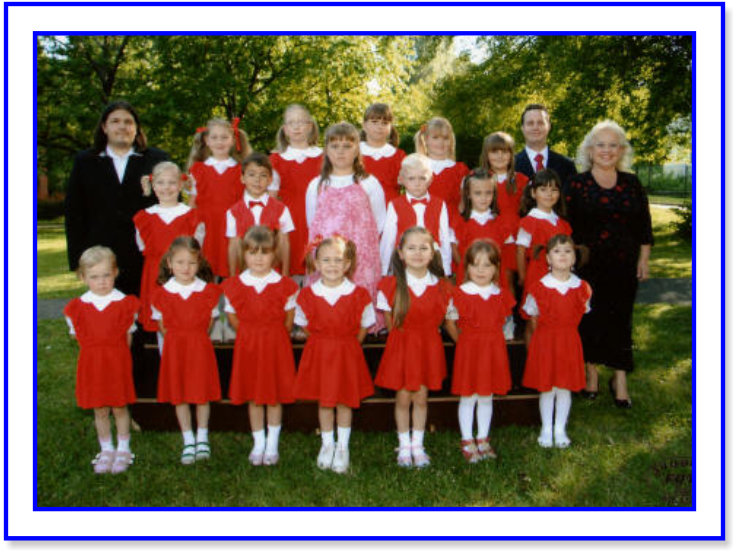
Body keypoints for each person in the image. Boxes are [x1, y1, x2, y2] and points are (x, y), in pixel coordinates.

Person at [566, 120, 653, 408]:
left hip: (624, 266)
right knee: (589, 319)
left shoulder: (632, 183)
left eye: (613, 145)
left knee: (620, 320)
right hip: (586, 267)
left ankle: (620, 379)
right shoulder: (576, 184)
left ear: (622, 150)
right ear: (590, 150)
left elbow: (644, 226)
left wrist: (643, 259)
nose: (606, 150)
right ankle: (591, 374)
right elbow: (566, 226)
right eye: (600, 144)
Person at [64, 101, 169, 295]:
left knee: (147, 311)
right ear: (104, 127)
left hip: (147, 256)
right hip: (101, 258)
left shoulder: (157, 159)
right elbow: (74, 213)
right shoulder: (85, 161)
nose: (122, 126)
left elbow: (171, 205)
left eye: (128, 122)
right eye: (115, 121)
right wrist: (78, 260)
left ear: (136, 128)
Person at [293, 236, 376, 474]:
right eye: (326, 260)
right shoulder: (308, 294)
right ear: (317, 264)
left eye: (338, 260)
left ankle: (342, 446)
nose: (332, 265)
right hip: (320, 353)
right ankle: (327, 444)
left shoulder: (358, 294)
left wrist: (348, 344)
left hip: (346, 353)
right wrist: (323, 341)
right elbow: (304, 323)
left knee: (344, 400)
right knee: (325, 401)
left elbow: (364, 324)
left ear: (348, 264)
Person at [374, 227, 454, 468]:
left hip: (428, 347)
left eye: (423, 248)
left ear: (432, 253)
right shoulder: (390, 286)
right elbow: (391, 323)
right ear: (400, 253)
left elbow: (446, 320)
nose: (417, 253)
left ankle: (418, 445)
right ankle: (404, 444)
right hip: (402, 346)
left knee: (421, 396)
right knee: (403, 397)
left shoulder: (443, 287)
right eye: (411, 248)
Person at [222, 226, 299, 467]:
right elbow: (233, 317)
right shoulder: (235, 285)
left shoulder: (284, 285)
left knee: (274, 395)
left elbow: (289, 319)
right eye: (252, 252)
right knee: (253, 395)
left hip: (276, 345)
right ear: (243, 254)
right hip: (249, 346)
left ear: (275, 254)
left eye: (264, 252)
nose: (258, 258)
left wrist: (272, 333)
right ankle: (258, 442)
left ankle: (272, 442)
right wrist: (251, 331)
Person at [63, 246, 139, 474]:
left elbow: (128, 337)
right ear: (83, 277)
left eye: (106, 275)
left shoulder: (125, 304)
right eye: (94, 277)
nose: (101, 281)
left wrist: (118, 359)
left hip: (117, 363)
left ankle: (123, 448)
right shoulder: (77, 308)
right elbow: (79, 338)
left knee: (119, 407)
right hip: (92, 365)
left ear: (115, 272)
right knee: (100, 409)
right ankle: (106, 449)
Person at [305, 122, 386, 330]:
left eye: (347, 146)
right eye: (335, 146)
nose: (340, 151)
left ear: (357, 149)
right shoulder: (317, 184)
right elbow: (311, 221)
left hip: (361, 258)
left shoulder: (369, 183)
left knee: (358, 307)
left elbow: (379, 222)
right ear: (326, 150)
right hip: (327, 259)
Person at [150, 237, 222, 465]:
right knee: (179, 394)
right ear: (169, 263)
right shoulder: (161, 294)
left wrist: (193, 336)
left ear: (199, 263)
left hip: (199, 347)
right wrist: (178, 338)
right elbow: (162, 326)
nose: (185, 268)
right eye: (180, 262)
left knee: (201, 393)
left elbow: (208, 324)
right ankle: (188, 438)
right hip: (175, 350)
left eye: (191, 262)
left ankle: (202, 436)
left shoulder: (208, 292)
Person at [446, 240, 515, 463]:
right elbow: (450, 322)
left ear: (496, 268)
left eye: (487, 265)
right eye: (475, 265)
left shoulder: (500, 294)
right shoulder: (460, 294)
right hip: (469, 349)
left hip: (493, 350)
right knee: (468, 395)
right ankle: (467, 440)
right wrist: (464, 343)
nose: (481, 270)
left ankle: (483, 438)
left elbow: (504, 322)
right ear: (466, 267)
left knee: (487, 395)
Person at [521, 235, 592, 448]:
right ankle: (546, 428)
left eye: (567, 251)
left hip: (569, 342)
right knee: (547, 387)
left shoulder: (582, 288)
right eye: (557, 251)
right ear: (548, 259)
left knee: (564, 387)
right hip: (546, 342)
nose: (563, 255)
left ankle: (560, 429)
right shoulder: (539, 287)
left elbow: (581, 312)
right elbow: (533, 317)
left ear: (574, 258)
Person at [134, 162, 203, 336]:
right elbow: (142, 246)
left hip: (184, 274)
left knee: (185, 320)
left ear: (180, 185)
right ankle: (165, 353)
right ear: (153, 185)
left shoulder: (192, 216)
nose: (166, 188)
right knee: (161, 323)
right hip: (155, 275)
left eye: (171, 182)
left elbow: (197, 247)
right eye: (161, 182)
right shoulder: (144, 217)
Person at [187, 117, 251, 278]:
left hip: (232, 225)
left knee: (232, 268)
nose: (219, 142)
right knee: (206, 269)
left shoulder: (241, 169)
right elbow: (192, 202)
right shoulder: (198, 169)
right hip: (207, 227)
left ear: (233, 140)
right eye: (214, 137)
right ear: (207, 140)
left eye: (224, 137)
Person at [516, 169, 572, 345]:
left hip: (560, 278)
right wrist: (523, 276)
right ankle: (533, 358)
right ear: (533, 193)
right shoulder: (529, 221)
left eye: (554, 190)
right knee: (534, 321)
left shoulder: (562, 223)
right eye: (543, 189)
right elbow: (520, 251)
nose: (549, 194)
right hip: (537, 276)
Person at [270, 104, 323, 277]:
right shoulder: (276, 159)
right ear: (285, 129)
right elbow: (271, 198)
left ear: (310, 126)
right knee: (290, 267)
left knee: (319, 265)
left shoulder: (324, 156)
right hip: (289, 219)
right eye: (291, 123)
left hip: (318, 216)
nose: (297, 127)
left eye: (301, 122)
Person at [378, 153, 453, 276]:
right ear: (402, 179)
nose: (417, 183)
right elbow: (388, 239)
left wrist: (446, 270)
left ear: (431, 180)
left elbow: (444, 237)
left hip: (432, 261)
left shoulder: (440, 204)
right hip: (405, 261)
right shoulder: (395, 204)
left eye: (422, 178)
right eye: (411, 178)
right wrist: (384, 270)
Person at [225, 153, 294, 277]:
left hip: (273, 273)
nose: (257, 180)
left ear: (270, 180)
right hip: (244, 274)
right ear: (242, 178)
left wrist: (285, 275)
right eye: (251, 175)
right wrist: (232, 277)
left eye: (263, 175)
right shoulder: (233, 212)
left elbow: (285, 243)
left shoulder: (281, 209)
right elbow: (233, 245)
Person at [480, 132, 530, 291]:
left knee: (522, 281)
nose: (500, 156)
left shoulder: (521, 180)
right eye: (494, 151)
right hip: (491, 234)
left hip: (518, 236)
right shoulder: (479, 179)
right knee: (501, 281)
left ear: (511, 154)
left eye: (505, 151)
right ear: (486, 154)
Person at [453, 168, 508, 292]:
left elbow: (505, 256)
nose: (484, 198)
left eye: (488, 193)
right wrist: (469, 270)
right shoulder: (459, 222)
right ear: (468, 194)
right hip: (468, 278)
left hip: (495, 279)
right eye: (478, 193)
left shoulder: (500, 222)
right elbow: (455, 251)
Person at [414, 116, 469, 213]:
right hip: (424, 219)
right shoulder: (417, 167)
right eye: (435, 138)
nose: (441, 142)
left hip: (452, 220)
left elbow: (464, 203)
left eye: (445, 138)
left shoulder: (460, 170)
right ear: (426, 139)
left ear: (451, 140)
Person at [514, 104, 576, 185]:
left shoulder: (567, 165)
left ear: (549, 126)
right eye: (530, 123)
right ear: (522, 128)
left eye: (540, 123)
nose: (535, 127)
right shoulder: (510, 166)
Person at [360, 102, 406, 202]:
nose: (380, 126)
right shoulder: (353, 153)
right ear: (364, 125)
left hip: (390, 208)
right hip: (360, 206)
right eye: (374, 122)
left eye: (385, 123)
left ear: (390, 127)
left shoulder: (399, 156)